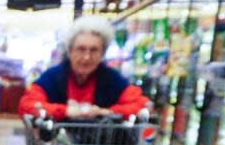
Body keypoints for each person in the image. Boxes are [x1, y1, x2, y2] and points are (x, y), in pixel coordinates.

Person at [18, 16, 149, 119]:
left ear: (102, 53)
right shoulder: (52, 77)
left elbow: (142, 105)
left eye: (94, 50)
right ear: (70, 51)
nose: (87, 57)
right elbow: (27, 105)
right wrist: (66, 111)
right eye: (81, 49)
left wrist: (107, 112)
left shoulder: (111, 79)